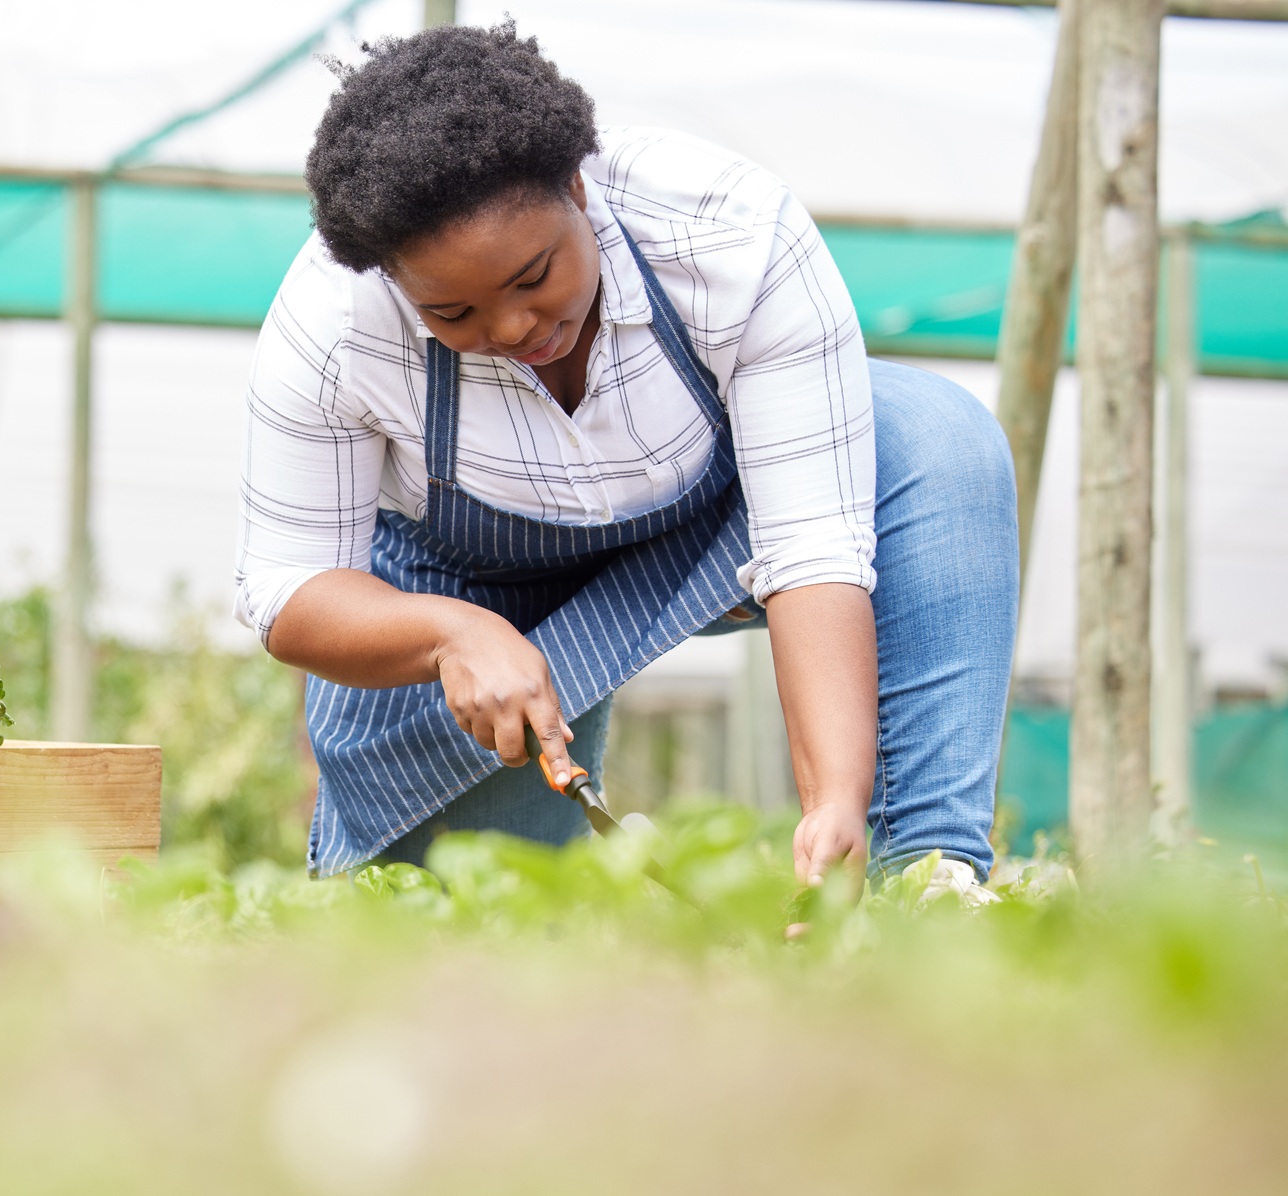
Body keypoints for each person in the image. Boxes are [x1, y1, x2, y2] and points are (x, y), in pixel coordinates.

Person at [235, 23, 1016, 898]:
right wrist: (452, 633)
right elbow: (288, 588)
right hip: (465, 588)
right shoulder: (332, 322)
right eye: (454, 313)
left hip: (714, 526)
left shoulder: (725, 232)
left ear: (578, 185)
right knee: (488, 913)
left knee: (927, 437)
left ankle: (930, 876)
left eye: (535, 277)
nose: (513, 329)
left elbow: (812, 544)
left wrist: (834, 797)